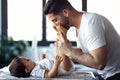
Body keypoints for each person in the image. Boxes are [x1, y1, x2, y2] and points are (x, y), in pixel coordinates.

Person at [43, 0, 120, 80]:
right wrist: (64, 43)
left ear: (65, 12)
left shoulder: (91, 23)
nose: (55, 25)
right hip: (106, 74)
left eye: (55, 20)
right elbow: (83, 51)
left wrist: (70, 52)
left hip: (116, 74)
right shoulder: (77, 25)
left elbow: (99, 64)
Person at [9, 53, 74, 78]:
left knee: (59, 45)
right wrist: (56, 65)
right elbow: (49, 75)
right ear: (27, 69)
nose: (30, 59)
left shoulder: (35, 65)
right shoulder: (35, 71)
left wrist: (43, 59)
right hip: (64, 69)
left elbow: (44, 66)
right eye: (27, 60)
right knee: (61, 46)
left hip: (61, 64)